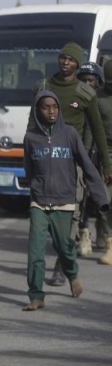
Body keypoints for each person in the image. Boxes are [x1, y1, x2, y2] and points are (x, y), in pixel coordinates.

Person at [30, 43, 112, 285]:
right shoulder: (42, 87)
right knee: (42, 215)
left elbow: (97, 132)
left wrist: (106, 167)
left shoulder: (86, 94)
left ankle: (60, 265)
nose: (66, 62)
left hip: (71, 162)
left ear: (77, 64)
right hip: (43, 162)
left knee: (72, 214)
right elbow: (31, 126)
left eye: (71, 60)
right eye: (63, 58)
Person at [22, 90, 109, 311]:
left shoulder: (69, 134)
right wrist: (35, 189)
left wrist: (101, 198)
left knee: (65, 249)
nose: (51, 111)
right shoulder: (30, 138)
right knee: (35, 252)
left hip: (64, 202)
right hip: (39, 203)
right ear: (37, 110)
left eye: (55, 107)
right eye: (45, 107)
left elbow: (88, 167)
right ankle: (36, 295)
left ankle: (72, 274)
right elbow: (29, 170)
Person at [75, 61, 105, 256]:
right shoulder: (74, 103)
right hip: (82, 157)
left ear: (99, 82)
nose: (87, 84)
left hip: (102, 158)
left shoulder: (103, 103)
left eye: (91, 80)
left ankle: (103, 235)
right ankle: (83, 234)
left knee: (102, 199)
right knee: (82, 199)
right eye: (83, 80)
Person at [96, 60, 112, 265]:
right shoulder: (97, 99)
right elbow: (92, 129)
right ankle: (110, 245)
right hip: (105, 153)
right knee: (106, 202)